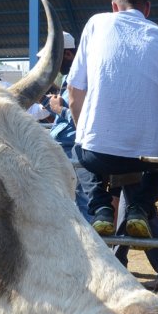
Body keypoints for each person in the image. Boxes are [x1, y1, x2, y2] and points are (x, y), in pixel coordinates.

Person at [68, 0, 158, 238]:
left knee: (79, 144)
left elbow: (73, 93)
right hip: (150, 158)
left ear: (114, 6)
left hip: (98, 154)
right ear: (147, 9)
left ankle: (101, 206)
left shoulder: (96, 24)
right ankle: (140, 206)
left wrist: (87, 131)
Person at [41, 31, 96, 221]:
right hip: (65, 148)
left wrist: (60, 110)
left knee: (82, 199)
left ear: (68, 54)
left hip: (75, 148)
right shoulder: (69, 80)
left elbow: (85, 121)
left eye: (52, 58)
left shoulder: (84, 80)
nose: (50, 64)